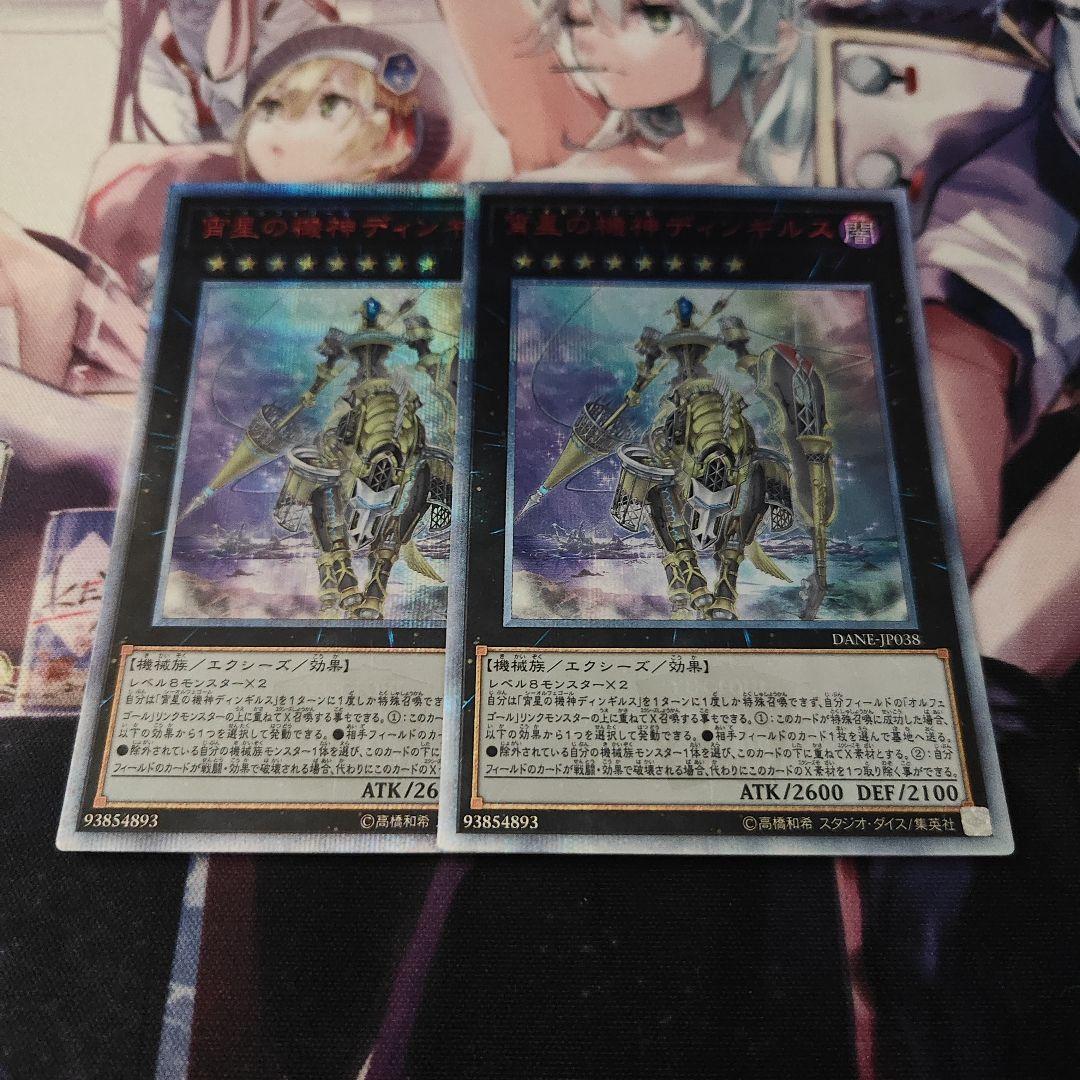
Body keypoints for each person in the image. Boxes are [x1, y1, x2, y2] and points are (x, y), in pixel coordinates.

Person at [442, 0, 814, 182]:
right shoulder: (586, 175)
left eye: (655, 16)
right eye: (577, 21)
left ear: (776, 32)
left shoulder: (807, 160)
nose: (590, 42)